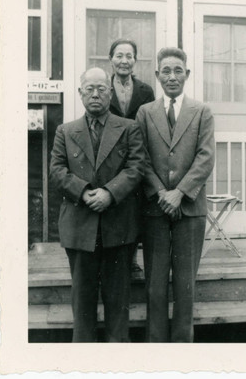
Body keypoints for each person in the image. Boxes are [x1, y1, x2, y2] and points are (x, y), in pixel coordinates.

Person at [49, 67, 145, 342]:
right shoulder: (65, 132)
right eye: (89, 89)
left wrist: (110, 194)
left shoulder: (129, 128)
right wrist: (85, 192)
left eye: (101, 89)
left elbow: (136, 168)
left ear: (110, 93)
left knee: (118, 303)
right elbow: (57, 170)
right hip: (80, 227)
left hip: (118, 227)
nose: (95, 94)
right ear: (80, 94)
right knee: (82, 303)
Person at [136, 47, 215, 342]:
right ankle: (156, 345)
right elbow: (140, 159)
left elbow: (205, 158)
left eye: (177, 71)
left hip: (190, 209)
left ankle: (182, 346)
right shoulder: (145, 113)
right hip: (156, 209)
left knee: (185, 284)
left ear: (187, 75)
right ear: (157, 76)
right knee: (155, 283)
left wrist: (179, 193)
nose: (172, 77)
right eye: (166, 71)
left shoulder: (202, 112)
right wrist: (161, 193)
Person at [108, 38, 155, 272]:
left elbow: (151, 124)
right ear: (111, 59)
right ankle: (112, 260)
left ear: (135, 60)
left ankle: (133, 260)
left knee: (135, 208)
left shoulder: (146, 91)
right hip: (109, 157)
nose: (124, 61)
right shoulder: (103, 89)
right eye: (119, 56)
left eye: (129, 56)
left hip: (137, 155)